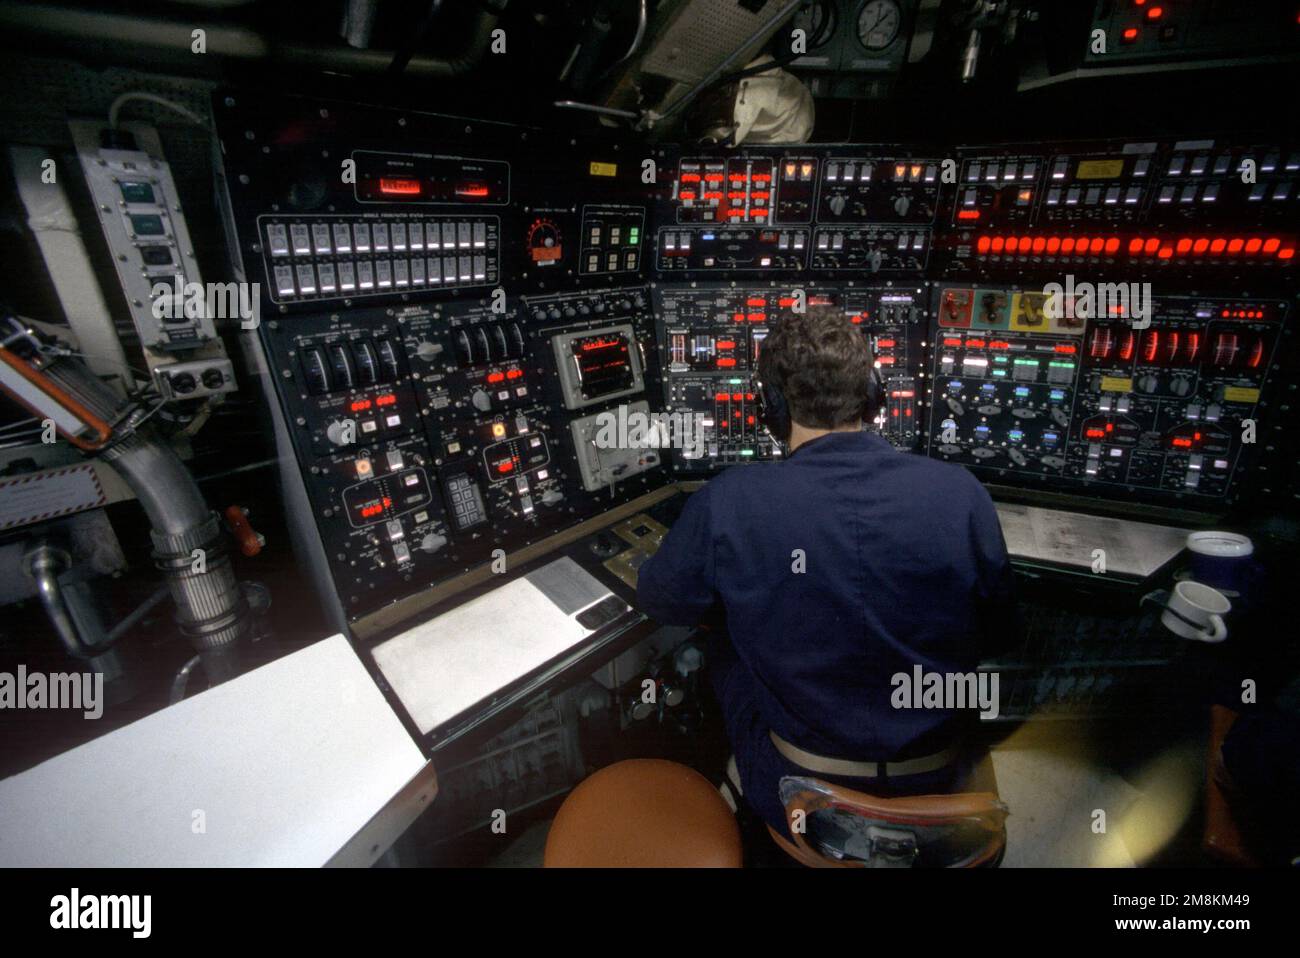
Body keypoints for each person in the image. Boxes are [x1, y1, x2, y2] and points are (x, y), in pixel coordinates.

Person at [636, 305, 1018, 836]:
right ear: (874, 395)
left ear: (769, 406)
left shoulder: (729, 501)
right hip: (941, 779)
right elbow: (1000, 631)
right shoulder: (961, 493)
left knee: (721, 646)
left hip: (801, 791)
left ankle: (739, 802)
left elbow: (662, 599)